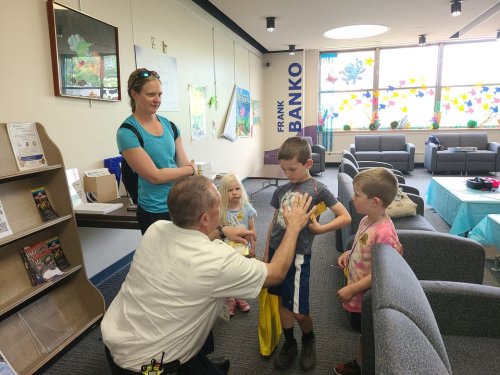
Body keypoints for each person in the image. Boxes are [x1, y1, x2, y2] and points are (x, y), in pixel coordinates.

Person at [101, 175, 314, 374]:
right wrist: (293, 227)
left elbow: (195, 237)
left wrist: (222, 231)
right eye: (217, 208)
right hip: (151, 368)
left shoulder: (156, 229)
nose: (221, 210)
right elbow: (276, 273)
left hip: (114, 340)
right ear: (204, 219)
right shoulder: (217, 260)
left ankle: (198, 360)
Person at [263, 137, 351, 371]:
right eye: (284, 169)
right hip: (275, 251)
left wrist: (320, 229)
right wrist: (266, 254)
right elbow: (273, 223)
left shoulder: (318, 189)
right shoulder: (281, 190)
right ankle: (290, 343)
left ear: (308, 163)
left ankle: (308, 339)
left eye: (292, 169)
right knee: (282, 301)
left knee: (300, 312)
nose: (287, 173)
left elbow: (345, 216)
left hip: (299, 254)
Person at [334, 167, 403, 375]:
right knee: (364, 332)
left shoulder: (384, 234)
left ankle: (364, 365)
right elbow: (362, 246)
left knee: (368, 332)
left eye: (357, 195)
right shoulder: (366, 220)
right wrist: (349, 253)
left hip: (367, 295)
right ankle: (363, 361)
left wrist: (352, 288)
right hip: (358, 289)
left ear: (375, 202)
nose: (353, 199)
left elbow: (382, 274)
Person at [117, 68, 197, 234]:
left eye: (160, 94)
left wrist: (186, 170)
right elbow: (155, 176)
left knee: (185, 257)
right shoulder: (127, 132)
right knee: (161, 259)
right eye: (151, 94)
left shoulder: (171, 126)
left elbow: (182, 168)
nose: (157, 100)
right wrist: (190, 169)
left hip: (180, 204)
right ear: (134, 94)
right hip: (155, 210)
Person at [218, 173, 257, 316]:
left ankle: (240, 297)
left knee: (241, 275)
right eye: (230, 190)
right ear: (223, 192)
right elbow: (218, 230)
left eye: (237, 189)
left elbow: (252, 230)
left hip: (243, 250)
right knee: (227, 276)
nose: (235, 192)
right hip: (225, 251)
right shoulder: (221, 210)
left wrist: (253, 247)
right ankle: (230, 299)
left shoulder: (246, 208)